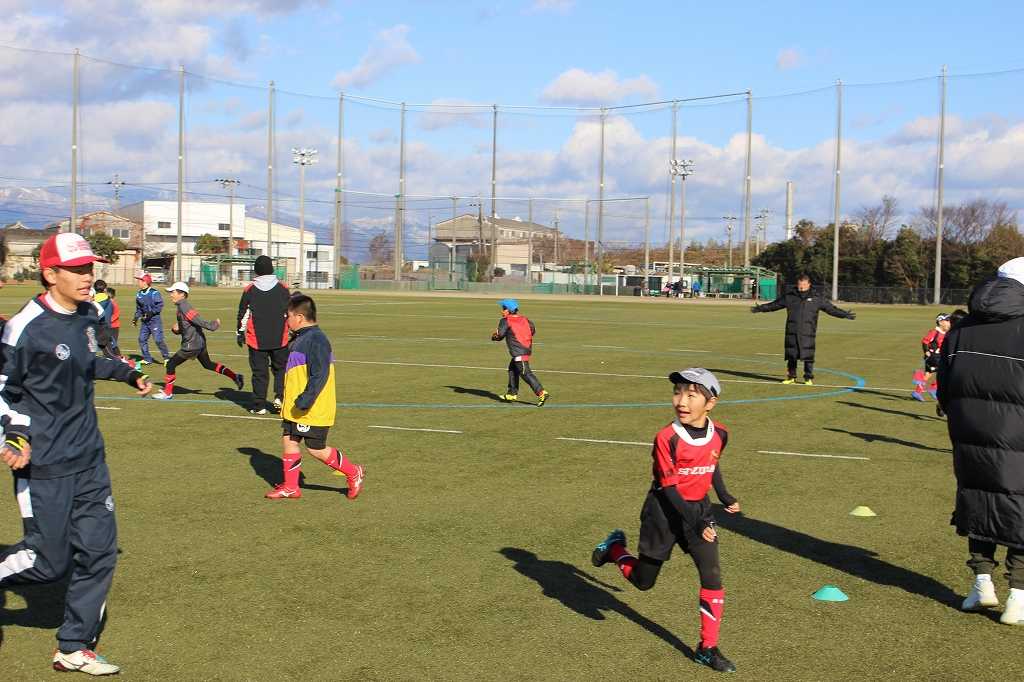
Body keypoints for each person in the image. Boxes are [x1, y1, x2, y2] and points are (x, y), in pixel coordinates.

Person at [0, 232, 152, 675]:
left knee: (100, 552)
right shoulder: (24, 327)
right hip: (44, 464)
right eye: (77, 270)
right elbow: (3, 391)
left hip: (89, 459)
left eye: (89, 268)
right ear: (50, 274)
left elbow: (86, 361)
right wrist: (15, 435)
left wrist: (126, 373)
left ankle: (73, 645)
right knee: (47, 562)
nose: (88, 277)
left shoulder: (90, 314)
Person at [590, 368, 739, 673]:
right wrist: (697, 523)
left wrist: (724, 496)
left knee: (712, 574)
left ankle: (707, 649)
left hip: (699, 511)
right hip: (663, 512)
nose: (681, 401)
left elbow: (712, 463)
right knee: (644, 582)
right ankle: (614, 549)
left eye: (691, 395)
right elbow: (670, 489)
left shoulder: (720, 433)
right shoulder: (666, 438)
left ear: (710, 403)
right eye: (677, 393)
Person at [938, 258, 1024, 625]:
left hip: (970, 431)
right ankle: (1019, 596)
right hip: (1018, 434)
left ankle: (981, 584)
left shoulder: (962, 328)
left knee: (978, 500)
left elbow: (944, 386)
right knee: (1019, 507)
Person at [265, 294, 364, 500]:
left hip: (311, 408)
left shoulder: (317, 339)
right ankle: (291, 487)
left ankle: (353, 472)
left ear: (300, 317)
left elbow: (320, 374)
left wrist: (306, 399)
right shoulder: (301, 337)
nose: (286, 321)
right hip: (295, 407)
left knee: (316, 449)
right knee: (289, 440)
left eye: (288, 316)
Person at [750, 274, 856, 384]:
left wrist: (844, 314)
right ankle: (791, 377)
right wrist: (760, 308)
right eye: (800, 285)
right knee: (791, 355)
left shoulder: (817, 298)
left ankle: (808, 378)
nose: (801, 287)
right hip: (792, 330)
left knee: (808, 355)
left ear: (809, 284)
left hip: (808, 331)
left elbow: (831, 309)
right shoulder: (790, 296)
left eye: (804, 285)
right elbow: (775, 305)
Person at [152, 282, 244, 400]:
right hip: (199, 342)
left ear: (182, 294)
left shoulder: (184, 306)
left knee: (171, 364)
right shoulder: (181, 306)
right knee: (208, 364)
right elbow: (189, 325)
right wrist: (178, 330)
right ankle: (235, 377)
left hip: (192, 345)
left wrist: (212, 325)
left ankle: (168, 393)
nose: (171, 295)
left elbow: (197, 320)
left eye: (173, 292)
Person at [236, 255, 290, 415]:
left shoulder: (250, 289)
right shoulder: (283, 288)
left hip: (256, 339)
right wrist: (293, 332)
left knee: (259, 373)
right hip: (280, 337)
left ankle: (259, 405)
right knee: (281, 369)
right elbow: (289, 311)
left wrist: (239, 332)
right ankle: (280, 397)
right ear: (272, 269)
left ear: (256, 270)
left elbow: (243, 313)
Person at [491, 298, 550, 406]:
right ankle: (512, 393)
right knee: (512, 369)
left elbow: (500, 335)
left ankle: (541, 392)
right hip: (525, 349)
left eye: (503, 309)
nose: (502, 311)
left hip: (519, 352)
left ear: (508, 310)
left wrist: (494, 336)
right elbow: (532, 330)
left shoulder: (505, 320)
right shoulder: (526, 319)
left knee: (525, 373)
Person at [132, 273, 170, 366]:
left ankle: (167, 358)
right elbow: (139, 308)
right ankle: (147, 359)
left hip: (154, 321)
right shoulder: (139, 294)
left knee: (158, 340)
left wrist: (151, 313)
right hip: (145, 322)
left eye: (139, 280)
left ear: (145, 282)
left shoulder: (154, 293)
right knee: (141, 339)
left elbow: (160, 305)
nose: (138, 282)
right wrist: (135, 318)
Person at [912, 313, 951, 402]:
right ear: (940, 322)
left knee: (928, 374)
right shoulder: (934, 332)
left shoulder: (946, 333)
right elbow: (925, 341)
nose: (949, 323)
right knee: (945, 372)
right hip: (934, 357)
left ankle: (917, 392)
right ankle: (933, 389)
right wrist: (926, 351)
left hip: (939, 357)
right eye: (947, 321)